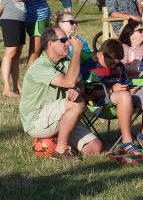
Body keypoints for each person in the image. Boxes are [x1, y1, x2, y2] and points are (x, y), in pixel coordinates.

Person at [19, 26, 102, 160]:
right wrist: (76, 52)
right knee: (77, 104)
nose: (68, 43)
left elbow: (78, 83)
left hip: (61, 115)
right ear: (50, 44)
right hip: (37, 121)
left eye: (68, 40)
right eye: (63, 40)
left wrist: (77, 90)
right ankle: (61, 150)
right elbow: (69, 81)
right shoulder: (40, 66)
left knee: (94, 148)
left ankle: (58, 137)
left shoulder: (65, 62)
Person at [80, 39, 143, 155]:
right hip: (101, 103)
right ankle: (127, 142)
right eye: (111, 63)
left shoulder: (118, 65)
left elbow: (125, 83)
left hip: (124, 96)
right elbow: (85, 95)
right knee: (124, 96)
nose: (114, 66)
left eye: (116, 63)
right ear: (102, 55)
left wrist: (131, 88)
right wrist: (110, 90)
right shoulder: (89, 67)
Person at [0, 0, 27, 97]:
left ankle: (17, 86)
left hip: (19, 18)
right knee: (10, 52)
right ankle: (6, 88)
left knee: (17, 53)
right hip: (10, 18)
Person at [20, 0, 54, 68]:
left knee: (40, 51)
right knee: (34, 52)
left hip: (43, 19)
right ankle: (29, 78)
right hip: (36, 21)